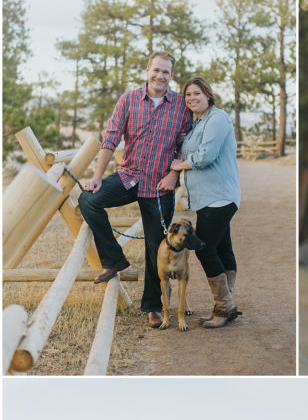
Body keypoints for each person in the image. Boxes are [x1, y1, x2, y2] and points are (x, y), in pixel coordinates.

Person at [79, 52, 192, 329]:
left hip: (159, 185)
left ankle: (153, 306)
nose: (160, 76)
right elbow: (110, 140)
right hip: (128, 177)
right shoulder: (128, 100)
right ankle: (115, 259)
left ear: (171, 75)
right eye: (156, 70)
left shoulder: (181, 106)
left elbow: (185, 147)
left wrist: (174, 173)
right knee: (89, 199)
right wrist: (97, 177)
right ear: (147, 71)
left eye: (166, 72)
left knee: (157, 247)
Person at [169, 76, 242, 328]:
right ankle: (226, 305)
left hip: (219, 196)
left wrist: (180, 165)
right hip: (208, 198)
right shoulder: (197, 123)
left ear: (208, 95)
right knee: (222, 249)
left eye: (197, 93)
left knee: (204, 248)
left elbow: (206, 156)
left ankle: (224, 307)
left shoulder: (217, 119)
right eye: (187, 94)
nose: (191, 98)